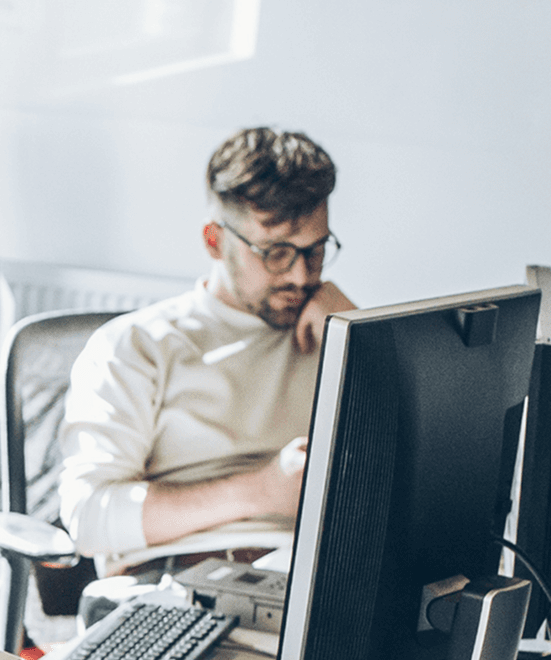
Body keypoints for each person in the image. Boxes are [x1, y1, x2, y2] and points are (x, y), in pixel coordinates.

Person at [49, 127, 362, 570]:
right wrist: (263, 490)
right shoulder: (136, 346)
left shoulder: (333, 330)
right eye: (275, 253)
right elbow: (88, 518)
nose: (300, 275)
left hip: (319, 572)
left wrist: (366, 336)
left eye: (315, 251)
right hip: (176, 583)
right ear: (214, 240)